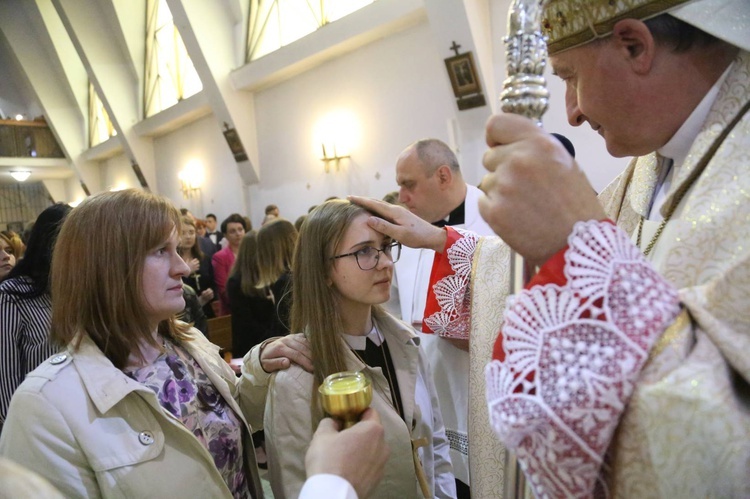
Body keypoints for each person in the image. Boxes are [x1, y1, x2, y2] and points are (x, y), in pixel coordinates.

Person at [353, 0, 750, 496]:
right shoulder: (651, 165)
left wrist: (576, 248)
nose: (573, 112)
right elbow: (539, 257)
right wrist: (441, 241)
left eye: (569, 76)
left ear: (635, 45)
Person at [0, 190, 271, 497]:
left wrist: (259, 369)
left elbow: (227, 420)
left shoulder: (186, 342)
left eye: (177, 249)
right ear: (107, 267)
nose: (182, 267)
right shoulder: (44, 404)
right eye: (160, 251)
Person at [262, 200, 456, 498]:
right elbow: (295, 487)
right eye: (364, 251)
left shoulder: (407, 342)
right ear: (323, 270)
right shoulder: (296, 379)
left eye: (386, 246)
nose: (386, 262)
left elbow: (436, 445)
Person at [394, 137, 495, 496]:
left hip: (480, 391)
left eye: (409, 185)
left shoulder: (496, 219)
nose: (402, 197)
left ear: (442, 176)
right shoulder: (405, 233)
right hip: (427, 391)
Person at [0, 203, 71, 434]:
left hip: (76, 421)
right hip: (34, 427)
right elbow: (6, 378)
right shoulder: (12, 295)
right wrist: (24, 431)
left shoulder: (78, 292)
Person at [178, 216, 215, 318]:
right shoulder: (173, 261)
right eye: (183, 233)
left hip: (205, 310)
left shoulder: (203, 258)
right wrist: (186, 272)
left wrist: (210, 293)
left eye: (191, 232)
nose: (188, 237)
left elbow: (212, 282)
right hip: (182, 313)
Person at [212, 213, 247, 315]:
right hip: (232, 311)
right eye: (232, 231)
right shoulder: (220, 257)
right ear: (225, 235)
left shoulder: (252, 253)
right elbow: (223, 291)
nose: (238, 233)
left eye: (240, 229)